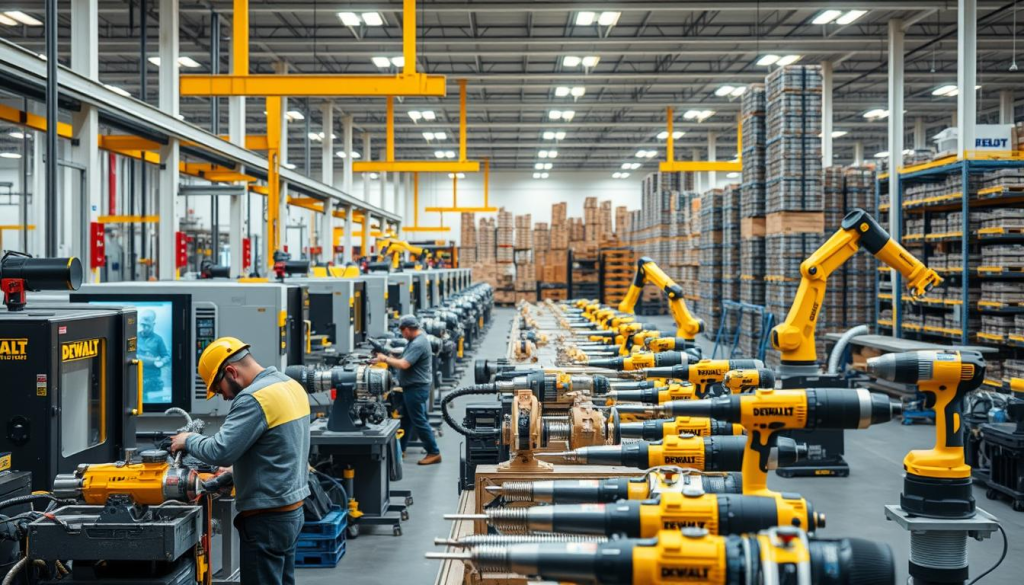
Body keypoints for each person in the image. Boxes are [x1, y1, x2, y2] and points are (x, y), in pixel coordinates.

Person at [169, 337, 311, 585]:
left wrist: (188, 439)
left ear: (231, 372)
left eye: (218, 387)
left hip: (267, 518)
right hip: (291, 513)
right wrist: (239, 471)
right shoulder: (290, 385)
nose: (222, 396)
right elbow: (281, 447)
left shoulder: (254, 398)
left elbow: (220, 450)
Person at [371, 315, 441, 465]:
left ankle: (434, 452)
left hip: (416, 388)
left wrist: (385, 359)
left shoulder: (418, 344)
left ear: (408, 329)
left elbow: (404, 364)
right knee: (408, 420)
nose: (402, 335)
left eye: (402, 332)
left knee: (419, 421)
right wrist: (386, 355)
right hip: (413, 387)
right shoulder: (415, 340)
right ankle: (400, 449)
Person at [137, 309, 170, 402]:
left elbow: (166, 356)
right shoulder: (134, 337)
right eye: (143, 325)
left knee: (153, 404)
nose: (145, 328)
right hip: (137, 377)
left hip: (153, 379)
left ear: (153, 324)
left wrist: (162, 361)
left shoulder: (158, 339)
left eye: (148, 326)